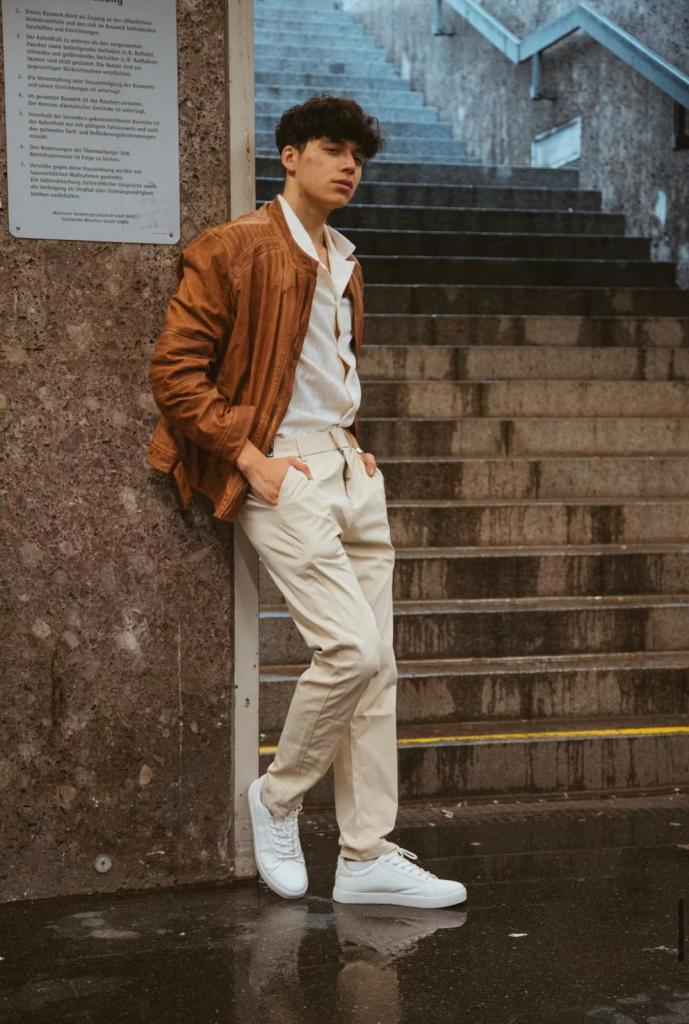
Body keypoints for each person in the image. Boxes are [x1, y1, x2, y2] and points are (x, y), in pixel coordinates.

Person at [147, 94, 467, 909]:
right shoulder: (232, 248)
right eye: (331, 148)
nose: (349, 165)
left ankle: (364, 854)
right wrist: (253, 461)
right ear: (288, 156)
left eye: (357, 154)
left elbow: (326, 373)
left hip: (348, 469)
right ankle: (278, 796)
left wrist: (350, 439)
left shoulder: (345, 259)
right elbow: (174, 376)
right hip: (280, 471)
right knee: (351, 652)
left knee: (379, 670)